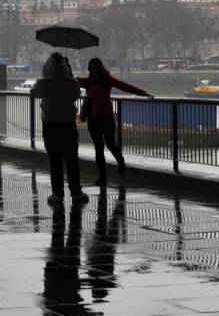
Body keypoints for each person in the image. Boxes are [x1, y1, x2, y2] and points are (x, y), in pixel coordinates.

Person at [78, 57, 153, 186]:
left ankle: (120, 160)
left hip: (107, 118)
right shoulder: (88, 81)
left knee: (110, 144)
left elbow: (125, 87)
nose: (93, 69)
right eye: (91, 67)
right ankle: (102, 177)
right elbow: (73, 81)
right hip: (94, 119)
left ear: (99, 68)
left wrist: (143, 93)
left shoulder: (107, 80)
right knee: (99, 148)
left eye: (95, 67)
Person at [31, 53, 88, 205]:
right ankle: (76, 191)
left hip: (50, 124)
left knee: (55, 160)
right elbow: (75, 96)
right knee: (72, 160)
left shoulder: (43, 82)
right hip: (68, 124)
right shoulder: (72, 83)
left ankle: (57, 193)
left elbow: (34, 93)